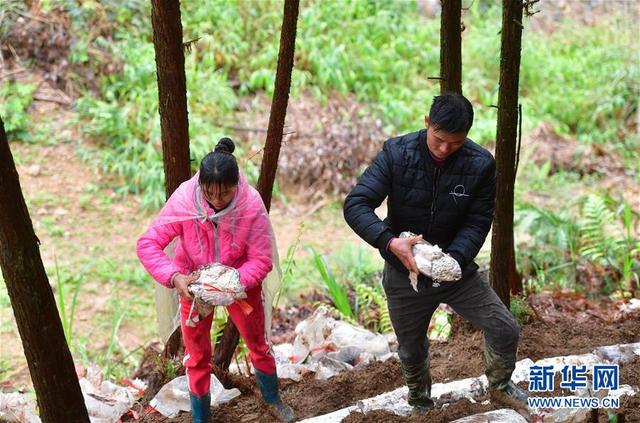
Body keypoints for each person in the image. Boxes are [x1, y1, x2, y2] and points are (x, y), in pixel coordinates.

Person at [343, 93, 527, 414]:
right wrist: (389, 242)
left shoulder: (480, 164)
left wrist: (455, 259)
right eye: (438, 139)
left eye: (455, 144)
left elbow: (478, 219)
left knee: (504, 328)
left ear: (467, 136)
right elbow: (356, 204)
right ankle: (420, 401)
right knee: (411, 349)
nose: (444, 150)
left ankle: (499, 385)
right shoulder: (397, 154)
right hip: (405, 270)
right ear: (427, 123)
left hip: (456, 272)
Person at [137, 138, 293, 423]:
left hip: (238, 283)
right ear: (200, 186)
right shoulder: (185, 199)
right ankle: (201, 417)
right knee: (196, 356)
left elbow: (261, 258)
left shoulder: (250, 204)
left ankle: (272, 399)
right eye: (210, 193)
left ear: (237, 186)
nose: (217, 200)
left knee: (258, 343)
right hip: (194, 286)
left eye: (224, 194)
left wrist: (233, 285)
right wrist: (175, 277)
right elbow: (148, 243)